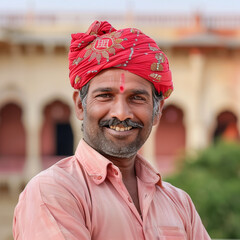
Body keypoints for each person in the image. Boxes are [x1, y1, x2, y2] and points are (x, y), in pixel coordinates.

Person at [13, 21, 211, 240]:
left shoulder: (179, 204)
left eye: (137, 98)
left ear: (157, 111)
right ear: (80, 105)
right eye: (105, 95)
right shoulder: (54, 192)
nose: (121, 113)